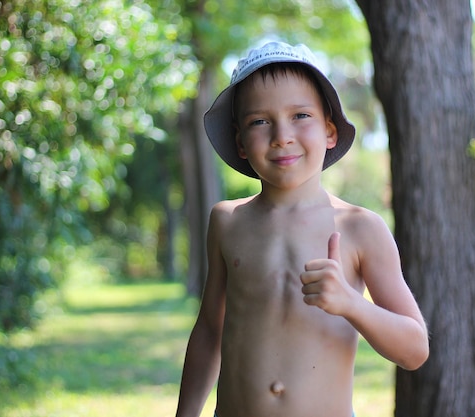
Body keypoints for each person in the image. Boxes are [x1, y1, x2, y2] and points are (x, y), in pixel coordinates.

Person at [175, 41, 429, 417]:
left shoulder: (361, 228)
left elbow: (414, 350)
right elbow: (210, 329)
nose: (282, 135)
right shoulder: (227, 222)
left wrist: (350, 303)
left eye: (300, 116)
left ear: (329, 131)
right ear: (241, 142)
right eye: (259, 121)